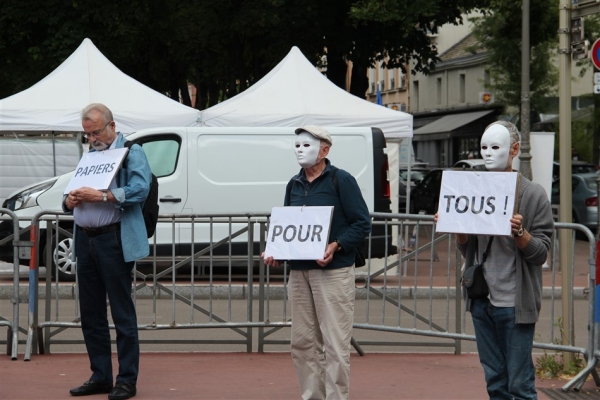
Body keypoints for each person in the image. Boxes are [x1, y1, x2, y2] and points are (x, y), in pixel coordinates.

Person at [438, 121, 553, 399]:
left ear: (514, 150)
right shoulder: (473, 187)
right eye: (484, 147)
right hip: (482, 302)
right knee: (495, 382)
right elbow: (470, 252)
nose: (488, 153)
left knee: (520, 386)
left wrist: (520, 233)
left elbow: (541, 253)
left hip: (515, 304)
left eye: (495, 147)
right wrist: (458, 230)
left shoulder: (533, 194)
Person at [263, 125, 371, 400]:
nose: (300, 150)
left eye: (306, 145)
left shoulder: (341, 180)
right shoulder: (293, 183)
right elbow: (290, 225)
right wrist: (276, 251)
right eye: (297, 145)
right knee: (302, 342)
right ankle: (312, 396)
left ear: (325, 149)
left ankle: (336, 397)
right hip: (299, 273)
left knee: (335, 343)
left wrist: (336, 245)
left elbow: (362, 222)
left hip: (333, 272)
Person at [63, 103, 152, 400]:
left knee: (121, 313)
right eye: (87, 134)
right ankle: (101, 375)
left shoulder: (132, 152)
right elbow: (70, 193)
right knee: (91, 313)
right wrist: (70, 201)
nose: (92, 138)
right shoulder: (90, 155)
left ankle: (126, 379)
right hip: (86, 241)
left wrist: (102, 195)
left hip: (113, 240)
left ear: (112, 126)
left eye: (96, 132)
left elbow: (141, 189)